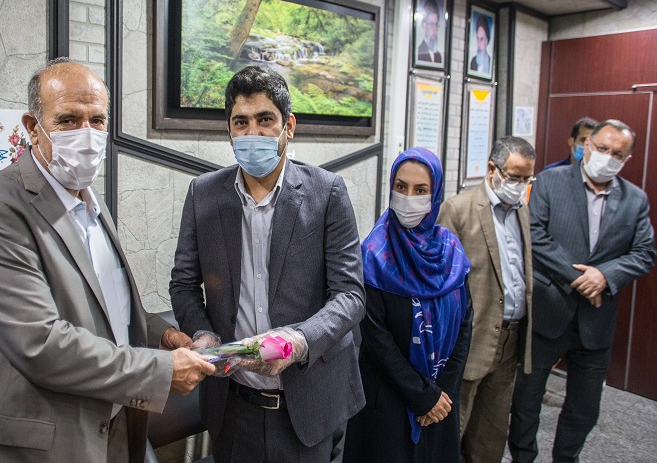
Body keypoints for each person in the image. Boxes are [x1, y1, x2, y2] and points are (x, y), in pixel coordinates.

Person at [0, 60, 215, 463]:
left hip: (115, 429)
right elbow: (40, 344)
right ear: (33, 127)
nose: (86, 134)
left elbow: (106, 305)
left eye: (97, 120)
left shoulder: (91, 201)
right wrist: (161, 371)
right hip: (41, 445)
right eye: (68, 120)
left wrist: (159, 335)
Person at [170, 65, 365, 463]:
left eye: (265, 120)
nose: (252, 133)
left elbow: (350, 295)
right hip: (232, 406)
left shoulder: (327, 193)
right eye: (240, 122)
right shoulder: (203, 194)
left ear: (288, 126)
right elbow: (183, 284)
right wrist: (202, 332)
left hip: (306, 406)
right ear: (229, 131)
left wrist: (299, 340)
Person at [508, 119, 656, 463]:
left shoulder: (635, 200)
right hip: (548, 312)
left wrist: (604, 275)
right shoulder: (550, 182)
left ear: (627, 159)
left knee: (585, 408)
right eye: (602, 148)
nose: (607, 157)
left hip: (596, 321)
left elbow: (644, 253)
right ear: (587, 146)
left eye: (617, 154)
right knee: (526, 401)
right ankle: (523, 457)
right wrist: (582, 279)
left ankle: (566, 458)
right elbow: (535, 235)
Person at [343, 147, 473, 463]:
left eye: (420, 190)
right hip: (387, 401)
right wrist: (422, 396)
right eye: (401, 187)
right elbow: (377, 340)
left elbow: (465, 324)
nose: (408, 198)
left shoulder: (451, 251)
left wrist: (443, 393)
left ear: (435, 194)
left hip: (441, 403)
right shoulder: (374, 254)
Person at [437, 137, 535, 463]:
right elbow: (441, 284)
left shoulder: (522, 210)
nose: (520, 185)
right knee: (451, 431)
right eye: (515, 176)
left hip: (511, 340)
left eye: (527, 178)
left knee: (490, 438)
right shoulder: (458, 210)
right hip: (470, 341)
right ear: (492, 169)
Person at [417, 0, 442, 64]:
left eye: (436, 24)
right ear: (424, 25)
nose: (435, 29)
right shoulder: (419, 51)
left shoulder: (438, 56)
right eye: (432, 24)